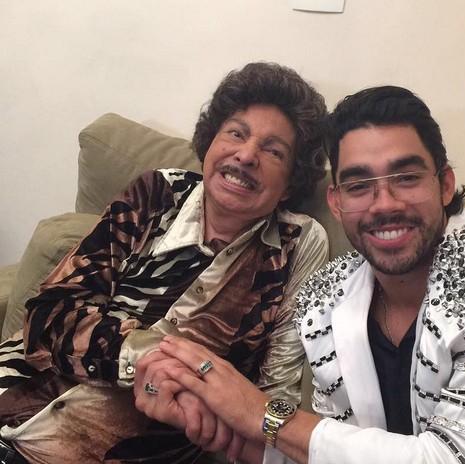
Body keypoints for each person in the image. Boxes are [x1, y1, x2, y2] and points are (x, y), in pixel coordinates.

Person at [137, 85, 465, 464]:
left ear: (445, 184)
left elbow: (460, 458)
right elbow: (340, 449)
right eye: (358, 185)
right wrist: (222, 427)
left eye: (406, 177)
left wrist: (259, 413)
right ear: (335, 202)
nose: (385, 203)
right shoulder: (326, 296)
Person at [0, 61, 330, 463]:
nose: (246, 155)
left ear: (289, 184)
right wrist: (152, 358)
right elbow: (49, 313)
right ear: (210, 142)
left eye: (273, 150)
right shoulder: (156, 193)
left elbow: (276, 392)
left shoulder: (298, 243)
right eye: (236, 133)